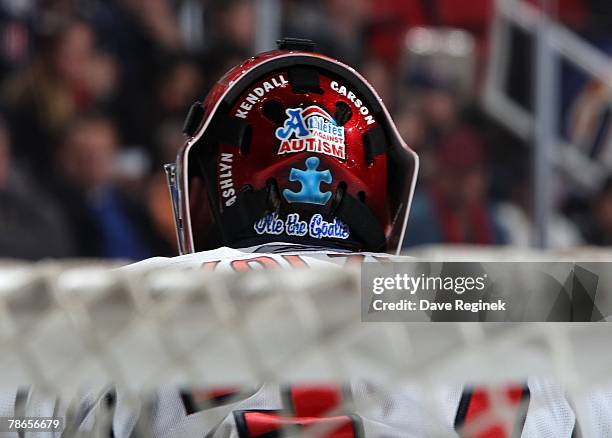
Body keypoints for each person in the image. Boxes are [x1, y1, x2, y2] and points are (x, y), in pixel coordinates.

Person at [111, 40, 600, 438]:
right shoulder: (510, 294)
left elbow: (36, 421)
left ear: (210, 187)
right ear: (386, 191)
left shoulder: (135, 295)